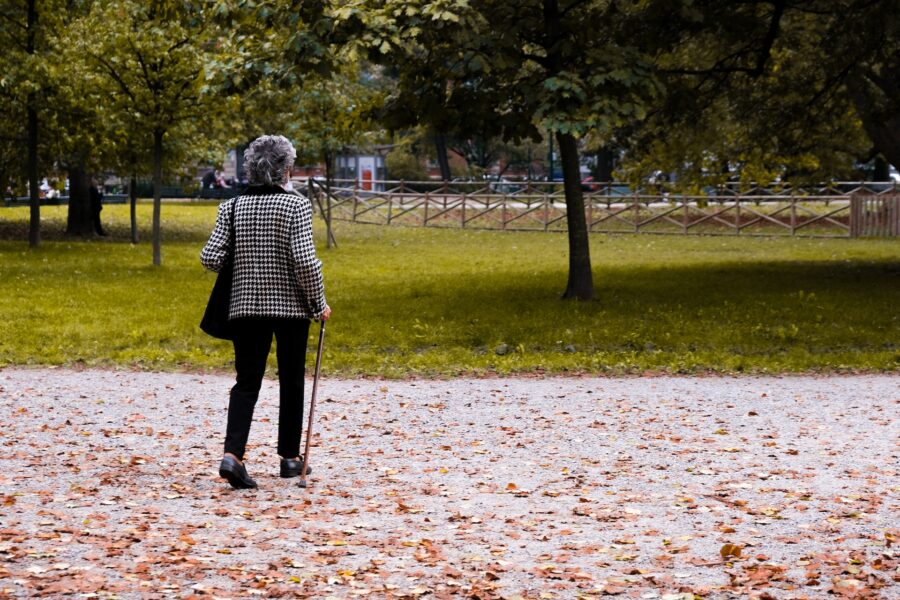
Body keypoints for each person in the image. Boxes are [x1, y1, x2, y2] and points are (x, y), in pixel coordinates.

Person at [200, 135, 331, 490]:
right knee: (291, 380)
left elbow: (210, 258)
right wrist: (319, 303)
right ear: (286, 168)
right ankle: (290, 458)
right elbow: (304, 262)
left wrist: (246, 254)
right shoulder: (296, 206)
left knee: (247, 382)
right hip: (290, 308)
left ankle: (233, 455)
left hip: (245, 306)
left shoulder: (232, 207)